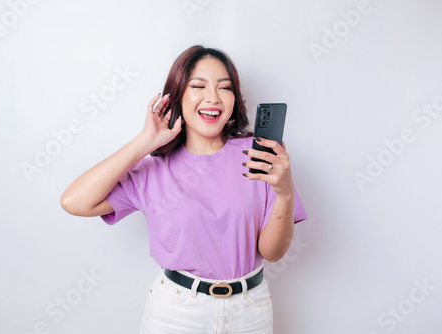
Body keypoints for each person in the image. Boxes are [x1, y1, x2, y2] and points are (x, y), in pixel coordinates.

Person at [60, 45, 307, 333]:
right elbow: (74, 201)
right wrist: (145, 141)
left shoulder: (259, 156)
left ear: (233, 99)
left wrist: (285, 193)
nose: (212, 97)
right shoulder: (152, 171)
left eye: (224, 88)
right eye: (198, 85)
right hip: (177, 313)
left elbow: (272, 252)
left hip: (250, 311)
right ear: (177, 95)